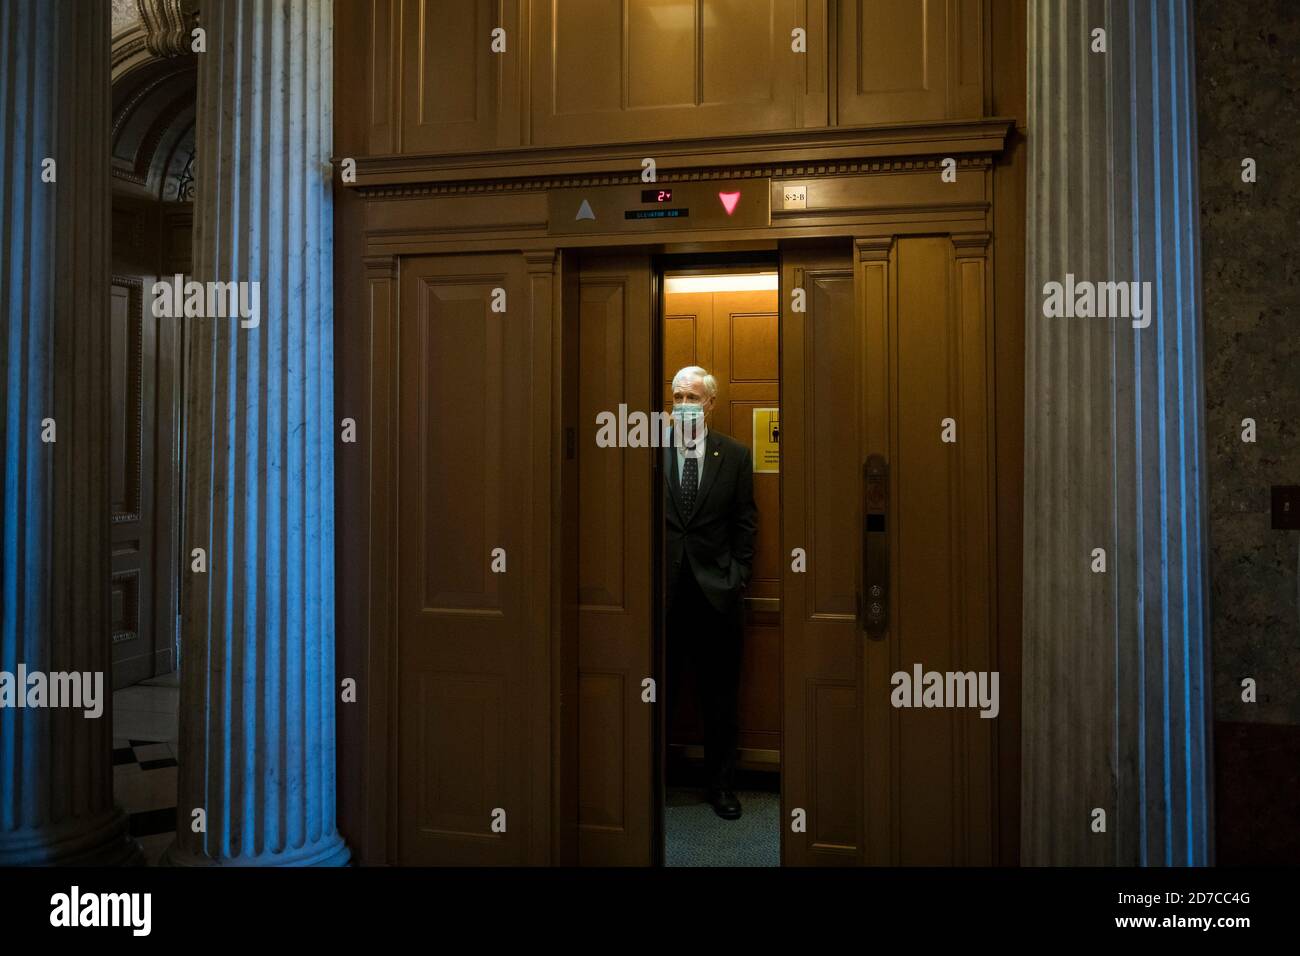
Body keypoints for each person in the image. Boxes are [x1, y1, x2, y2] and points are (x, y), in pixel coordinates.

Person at [664, 365, 758, 819]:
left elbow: (745, 522)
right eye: (677, 397)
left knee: (719, 700)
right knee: (658, 694)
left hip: (716, 597)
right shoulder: (651, 452)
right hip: (661, 599)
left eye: (692, 398)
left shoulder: (735, 455)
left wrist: (737, 575)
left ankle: (721, 787)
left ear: (711, 404)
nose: (683, 406)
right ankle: (651, 785)